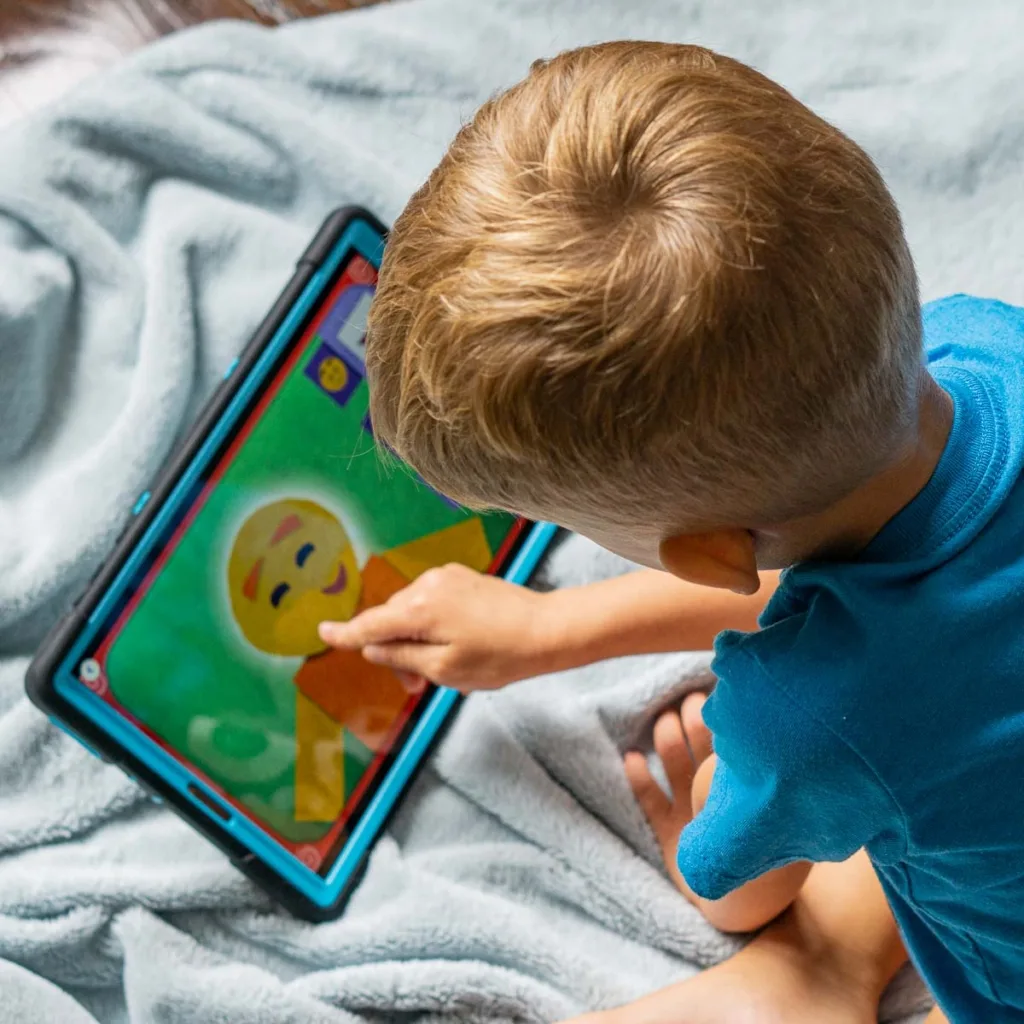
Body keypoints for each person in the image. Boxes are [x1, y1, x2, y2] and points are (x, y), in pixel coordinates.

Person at [320, 40, 1024, 1021]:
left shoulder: (804, 716)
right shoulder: (984, 336)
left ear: (709, 558)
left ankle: (812, 981)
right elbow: (897, 583)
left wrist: (708, 812)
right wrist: (543, 630)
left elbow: (737, 890)